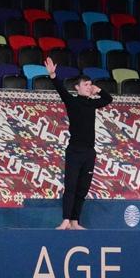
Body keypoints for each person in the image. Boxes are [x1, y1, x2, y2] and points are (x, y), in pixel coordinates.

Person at [45, 58, 113, 230]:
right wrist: (53, 75)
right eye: (86, 85)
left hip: (89, 153)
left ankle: (75, 221)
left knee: (83, 189)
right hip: (74, 151)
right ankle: (66, 220)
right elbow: (60, 90)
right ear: (77, 87)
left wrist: (99, 89)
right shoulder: (72, 101)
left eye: (90, 84)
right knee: (71, 187)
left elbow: (108, 99)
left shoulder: (92, 103)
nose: (89, 87)